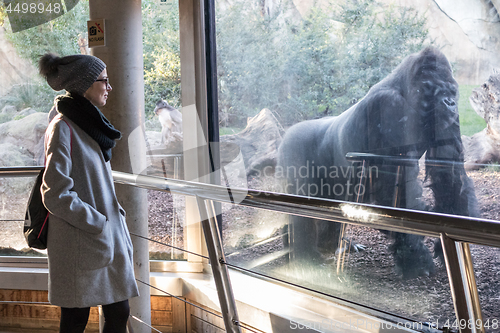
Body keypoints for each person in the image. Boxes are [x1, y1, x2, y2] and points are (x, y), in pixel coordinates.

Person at [38, 53, 139, 333]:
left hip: (100, 240)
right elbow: (54, 193)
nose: (109, 87)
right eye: (103, 81)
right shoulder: (63, 127)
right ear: (85, 84)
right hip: (81, 242)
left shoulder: (89, 123)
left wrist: (108, 220)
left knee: (119, 312)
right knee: (75, 319)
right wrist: (97, 222)